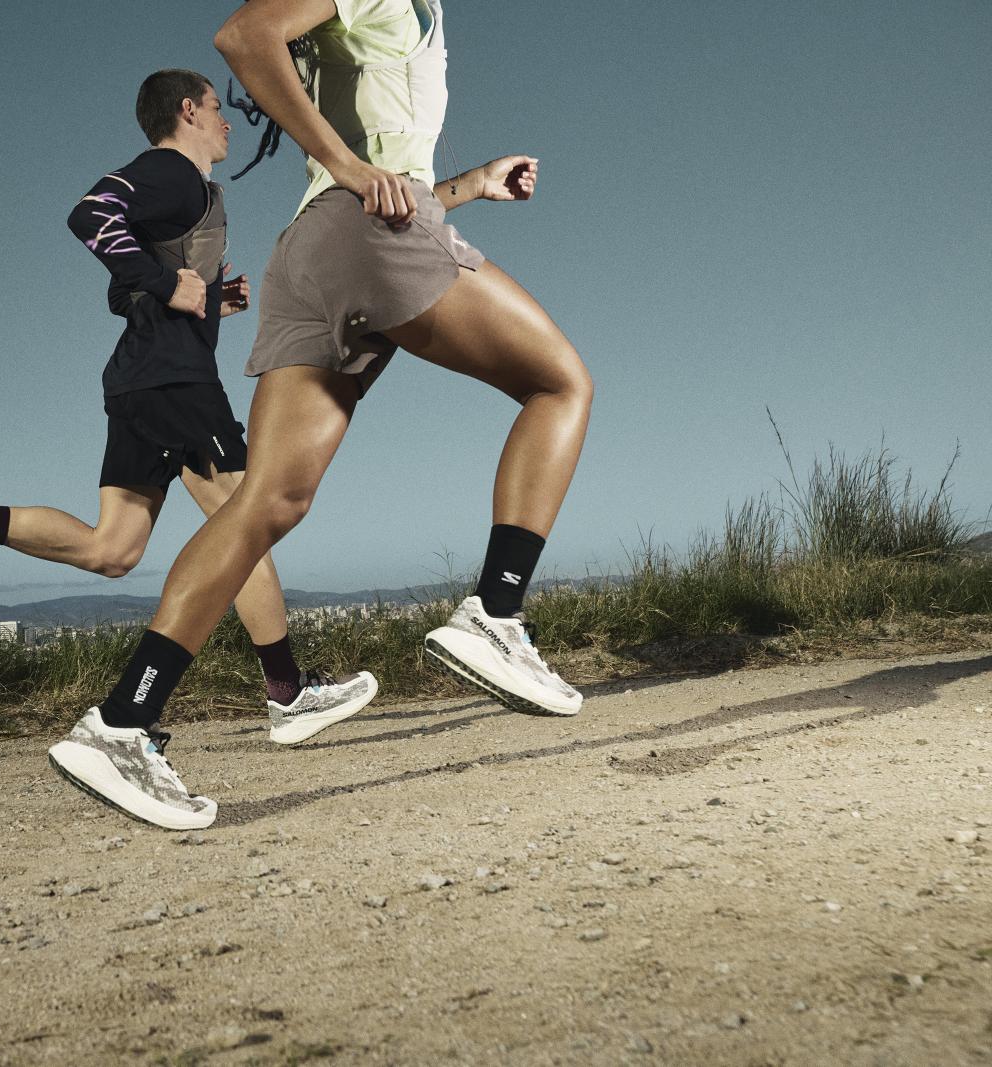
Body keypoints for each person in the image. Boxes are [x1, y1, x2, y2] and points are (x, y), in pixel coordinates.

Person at [46, 0, 595, 829]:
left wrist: (470, 184)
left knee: (267, 499)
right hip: (366, 233)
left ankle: (121, 721)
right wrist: (341, 162)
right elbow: (242, 36)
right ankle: (498, 612)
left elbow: (391, 178)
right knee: (561, 385)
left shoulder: (410, 17)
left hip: (313, 255)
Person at [0, 70, 378, 781]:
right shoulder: (173, 172)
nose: (230, 122)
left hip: (142, 377)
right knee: (249, 518)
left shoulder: (183, 195)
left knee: (114, 549)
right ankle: (286, 691)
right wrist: (172, 285)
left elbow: (123, 288)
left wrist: (200, 298)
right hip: (173, 382)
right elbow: (90, 213)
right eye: (215, 109)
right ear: (187, 110)